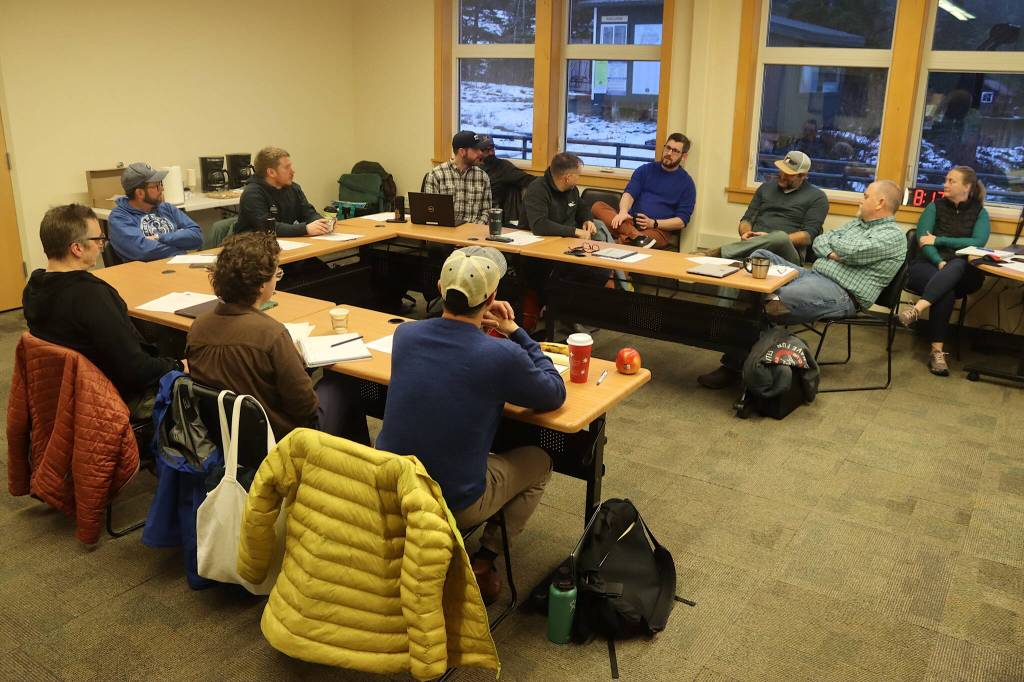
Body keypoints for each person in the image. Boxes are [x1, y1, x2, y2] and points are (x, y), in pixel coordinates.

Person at [376, 246, 566, 603]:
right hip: (453, 501)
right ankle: (485, 560)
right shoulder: (500, 354)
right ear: (493, 296)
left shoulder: (406, 335)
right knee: (541, 462)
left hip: (394, 487)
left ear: (438, 287)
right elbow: (554, 393)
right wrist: (517, 332)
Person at [698, 180, 907, 389]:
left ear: (880, 203)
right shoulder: (857, 223)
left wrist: (836, 250)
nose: (861, 201)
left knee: (776, 298)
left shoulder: (893, 236)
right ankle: (745, 331)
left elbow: (852, 252)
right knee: (759, 257)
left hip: (841, 292)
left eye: (866, 196)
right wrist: (835, 253)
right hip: (811, 275)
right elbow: (820, 241)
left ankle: (734, 365)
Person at [185, 232, 369, 442]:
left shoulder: (198, 327)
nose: (276, 279)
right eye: (276, 273)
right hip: (285, 441)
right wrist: (295, 361)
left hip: (227, 436)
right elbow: (305, 407)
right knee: (343, 382)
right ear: (261, 284)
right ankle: (348, 463)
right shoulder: (272, 334)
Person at [22, 204, 182, 418]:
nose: (101, 246)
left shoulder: (33, 288)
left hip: (66, 395)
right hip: (110, 398)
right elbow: (136, 370)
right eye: (97, 239)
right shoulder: (90, 296)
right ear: (77, 248)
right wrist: (179, 364)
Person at [898, 166, 990, 376]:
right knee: (945, 290)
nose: (945, 184)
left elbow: (978, 242)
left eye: (951, 181)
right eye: (946, 180)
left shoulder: (980, 213)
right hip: (927, 265)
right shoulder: (934, 207)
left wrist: (940, 239)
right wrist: (939, 261)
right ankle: (937, 352)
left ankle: (917, 309)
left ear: (967, 187)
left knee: (957, 264)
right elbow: (923, 241)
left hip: (963, 272)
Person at [709, 151, 829, 265]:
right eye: (781, 170)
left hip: (787, 253)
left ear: (802, 176)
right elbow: (746, 220)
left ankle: (719, 252)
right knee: (731, 269)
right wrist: (747, 233)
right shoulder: (765, 188)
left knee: (780, 237)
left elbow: (807, 237)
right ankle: (732, 254)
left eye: (788, 174)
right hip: (753, 246)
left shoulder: (817, 197)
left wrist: (769, 239)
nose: (782, 176)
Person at [589, 132, 696, 248]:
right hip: (629, 222)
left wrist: (653, 223)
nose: (669, 153)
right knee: (597, 206)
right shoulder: (645, 170)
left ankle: (615, 242)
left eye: (675, 151)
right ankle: (635, 237)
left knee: (648, 240)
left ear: (684, 156)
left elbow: (681, 221)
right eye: (668, 148)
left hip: (657, 230)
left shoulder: (687, 184)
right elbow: (629, 194)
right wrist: (623, 212)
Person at [107, 162, 203, 262]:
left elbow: (197, 236)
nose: (162, 189)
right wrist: (180, 247)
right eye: (156, 186)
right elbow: (142, 251)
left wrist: (159, 237)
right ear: (140, 193)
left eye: (160, 184)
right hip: (145, 274)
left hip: (177, 266)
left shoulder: (166, 208)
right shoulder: (120, 217)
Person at [234, 147, 333, 237]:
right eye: (287, 167)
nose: (293, 171)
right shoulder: (252, 193)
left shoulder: (293, 188)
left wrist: (323, 223)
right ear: (271, 172)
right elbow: (267, 227)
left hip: (285, 244)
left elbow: (308, 213)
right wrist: (305, 229)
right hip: (253, 250)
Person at [522, 152, 598, 239]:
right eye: (578, 175)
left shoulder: (572, 189)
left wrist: (587, 220)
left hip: (566, 238)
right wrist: (574, 231)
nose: (579, 178)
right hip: (539, 240)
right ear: (567, 178)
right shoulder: (537, 189)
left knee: (598, 228)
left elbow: (582, 208)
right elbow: (539, 225)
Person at [424, 130, 493, 225]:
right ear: (462, 152)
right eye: (475, 149)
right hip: (445, 232)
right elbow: (430, 211)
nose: (480, 153)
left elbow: (487, 212)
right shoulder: (436, 175)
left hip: (473, 234)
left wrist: (474, 229)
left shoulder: (482, 177)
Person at [479, 135, 534, 223]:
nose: (491, 153)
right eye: (486, 150)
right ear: (477, 151)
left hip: (492, 214)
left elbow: (528, 179)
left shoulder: (502, 167)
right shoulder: (471, 167)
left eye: (492, 148)